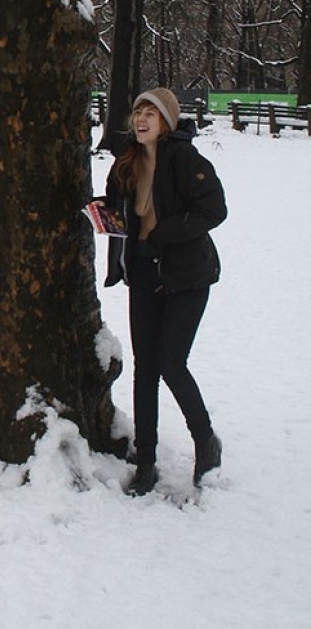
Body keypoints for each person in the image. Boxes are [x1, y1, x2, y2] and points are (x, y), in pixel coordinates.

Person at [103, 88, 227, 496]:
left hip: (187, 275)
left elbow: (214, 209)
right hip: (142, 272)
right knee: (145, 369)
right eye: (138, 111)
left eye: (151, 113)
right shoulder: (126, 160)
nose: (141, 119)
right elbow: (117, 204)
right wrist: (103, 213)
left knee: (172, 363)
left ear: (167, 122)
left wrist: (164, 233)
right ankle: (147, 459)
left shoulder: (185, 158)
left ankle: (205, 441)